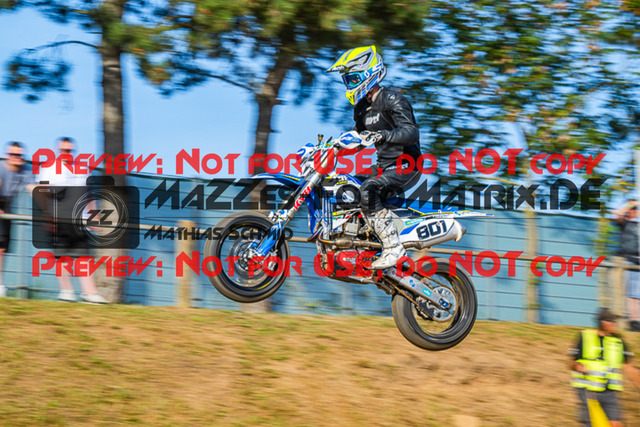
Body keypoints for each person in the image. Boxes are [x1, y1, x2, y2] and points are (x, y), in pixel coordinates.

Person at [326, 45, 421, 269]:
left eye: (352, 79)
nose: (349, 84)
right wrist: (333, 147)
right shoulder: (361, 108)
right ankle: (365, 244)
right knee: (345, 185)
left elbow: (411, 132)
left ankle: (393, 247)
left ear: (368, 74)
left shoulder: (393, 99)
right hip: (383, 166)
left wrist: (384, 135)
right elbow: (359, 139)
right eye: (346, 80)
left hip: (407, 165)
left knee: (368, 189)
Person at [36, 137, 107, 304]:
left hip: (80, 221)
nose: (67, 154)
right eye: (64, 150)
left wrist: (94, 215)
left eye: (69, 151)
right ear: (58, 151)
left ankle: (89, 293)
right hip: (58, 220)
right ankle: (66, 292)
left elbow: (89, 195)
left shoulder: (83, 170)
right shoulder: (48, 169)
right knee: (62, 257)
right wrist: (47, 215)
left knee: (84, 257)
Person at [570, 308, 640, 426]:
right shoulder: (585, 337)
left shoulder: (618, 342)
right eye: (612, 322)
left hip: (609, 392)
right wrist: (577, 366)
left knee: (616, 424)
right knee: (591, 423)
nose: (615, 325)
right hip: (587, 390)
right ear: (603, 323)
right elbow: (571, 362)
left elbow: (629, 367)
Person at [0, 142, 36, 297]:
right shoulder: (2, 168)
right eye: (13, 154)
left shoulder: (26, 170)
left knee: (3, 248)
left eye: (19, 155)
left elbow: (32, 189)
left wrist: (46, 210)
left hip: (7, 207)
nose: (16, 157)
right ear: (7, 156)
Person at [612, 200, 640, 331]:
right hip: (630, 260)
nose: (634, 211)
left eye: (636, 209)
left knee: (637, 293)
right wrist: (632, 203)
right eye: (632, 209)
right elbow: (616, 214)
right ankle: (634, 321)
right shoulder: (625, 223)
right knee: (632, 293)